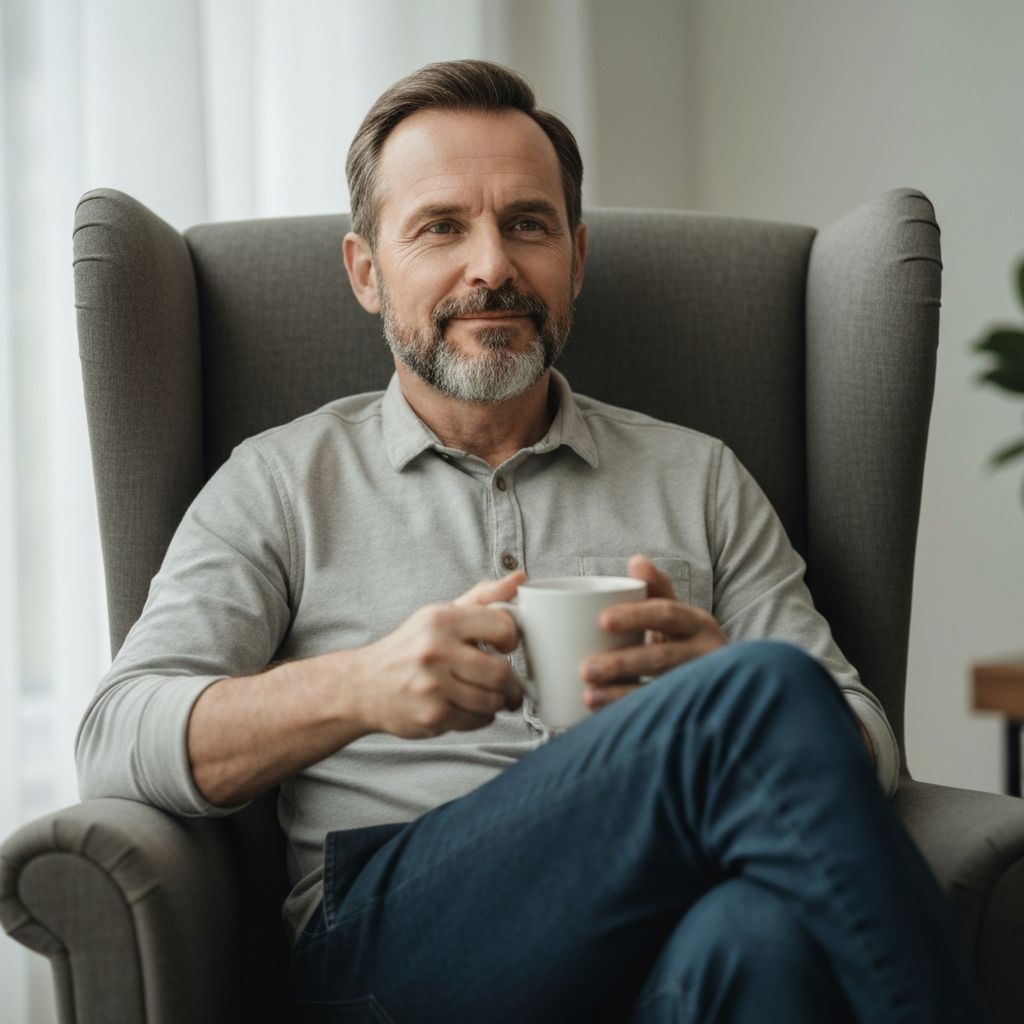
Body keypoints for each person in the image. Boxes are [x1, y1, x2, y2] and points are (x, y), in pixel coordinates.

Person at [76, 60, 984, 1023]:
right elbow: (115, 735)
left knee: (760, 935)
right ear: (367, 273)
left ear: (576, 259)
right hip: (393, 945)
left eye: (528, 224)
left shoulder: (699, 475)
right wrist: (361, 685)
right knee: (760, 696)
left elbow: (862, 735)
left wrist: (720, 684)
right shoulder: (278, 482)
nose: (493, 267)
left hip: (664, 936)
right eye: (440, 227)